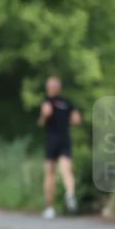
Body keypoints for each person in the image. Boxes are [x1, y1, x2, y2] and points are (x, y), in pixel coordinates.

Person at [38, 76, 81, 219]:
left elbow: (42, 121)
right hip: (64, 140)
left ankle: (50, 208)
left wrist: (44, 117)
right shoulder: (67, 103)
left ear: (49, 88)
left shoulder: (46, 102)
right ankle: (70, 194)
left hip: (52, 141)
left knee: (50, 175)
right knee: (66, 170)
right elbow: (77, 119)